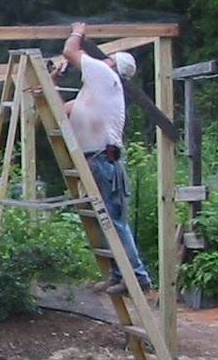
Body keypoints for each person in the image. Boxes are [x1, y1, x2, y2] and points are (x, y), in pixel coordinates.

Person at [58, 23, 151, 296]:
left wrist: (77, 31)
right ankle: (118, 274)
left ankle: (138, 277)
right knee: (106, 222)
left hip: (102, 161)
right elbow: (60, 110)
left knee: (114, 222)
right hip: (96, 162)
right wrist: (52, 78)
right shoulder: (94, 93)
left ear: (111, 64)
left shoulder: (104, 76)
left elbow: (70, 50)